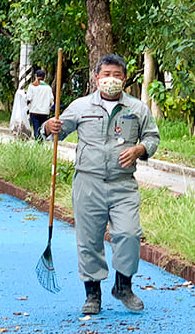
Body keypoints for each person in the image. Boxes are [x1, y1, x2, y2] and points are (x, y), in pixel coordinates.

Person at [43, 54, 160, 316]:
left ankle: (123, 286)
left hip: (123, 184)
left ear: (125, 78)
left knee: (129, 234)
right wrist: (49, 126)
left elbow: (152, 137)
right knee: (89, 239)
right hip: (88, 182)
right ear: (96, 78)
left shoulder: (136, 108)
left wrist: (140, 148)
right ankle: (92, 294)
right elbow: (57, 130)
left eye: (117, 75)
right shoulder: (81, 106)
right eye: (106, 74)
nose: (111, 80)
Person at [26, 69, 54, 140]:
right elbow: (51, 100)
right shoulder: (48, 87)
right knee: (42, 128)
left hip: (34, 111)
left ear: (35, 76)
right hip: (44, 112)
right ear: (44, 77)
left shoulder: (32, 86)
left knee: (36, 128)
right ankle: (41, 141)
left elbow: (29, 98)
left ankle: (38, 142)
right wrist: (48, 107)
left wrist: (27, 106)